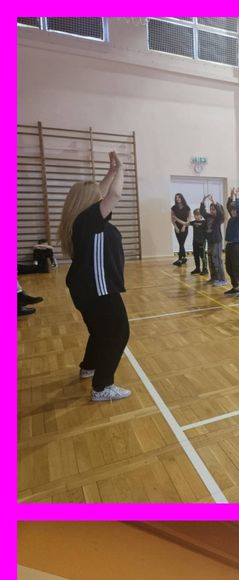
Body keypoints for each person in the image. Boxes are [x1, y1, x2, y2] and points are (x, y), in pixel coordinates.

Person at [58, 150, 132, 401]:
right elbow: (114, 195)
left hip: (84, 289)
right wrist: (122, 169)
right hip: (98, 289)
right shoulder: (88, 220)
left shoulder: (81, 220)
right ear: (89, 202)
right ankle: (102, 387)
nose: (101, 196)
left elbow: (102, 191)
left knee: (100, 332)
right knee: (119, 332)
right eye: (96, 196)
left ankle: (88, 367)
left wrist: (111, 171)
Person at [222, 188, 239, 299]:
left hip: (236, 246)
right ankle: (235, 287)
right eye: (232, 210)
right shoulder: (231, 219)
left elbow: (238, 208)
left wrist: (237, 196)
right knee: (229, 267)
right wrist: (231, 195)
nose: (233, 211)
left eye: (235, 210)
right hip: (229, 245)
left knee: (237, 268)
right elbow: (228, 205)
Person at [201, 193, 227, 286]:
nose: (212, 211)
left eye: (214, 209)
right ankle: (213, 278)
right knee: (210, 260)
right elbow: (202, 211)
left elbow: (220, 212)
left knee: (217, 260)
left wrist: (214, 202)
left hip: (217, 241)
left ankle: (222, 279)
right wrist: (203, 201)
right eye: (211, 209)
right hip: (210, 241)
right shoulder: (208, 216)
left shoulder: (218, 218)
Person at [170, 192, 191, 266]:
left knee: (181, 243)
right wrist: (176, 227)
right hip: (177, 228)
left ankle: (180, 259)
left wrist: (184, 226)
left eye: (179, 197)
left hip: (184, 228)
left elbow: (189, 219)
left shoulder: (187, 207)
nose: (177, 199)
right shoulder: (173, 208)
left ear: (182, 198)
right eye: (176, 198)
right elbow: (172, 219)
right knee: (180, 243)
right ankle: (183, 259)